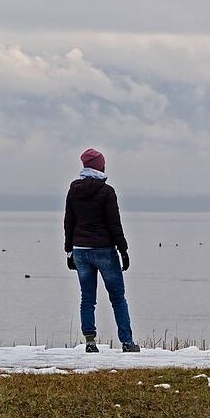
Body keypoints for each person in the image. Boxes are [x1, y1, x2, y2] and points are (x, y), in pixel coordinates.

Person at [64, 148, 139, 353]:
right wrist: (123, 250)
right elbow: (115, 224)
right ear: (100, 166)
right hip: (104, 250)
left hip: (80, 250)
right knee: (118, 298)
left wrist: (69, 250)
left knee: (87, 298)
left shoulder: (73, 190)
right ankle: (127, 342)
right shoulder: (107, 192)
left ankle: (90, 342)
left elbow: (69, 222)